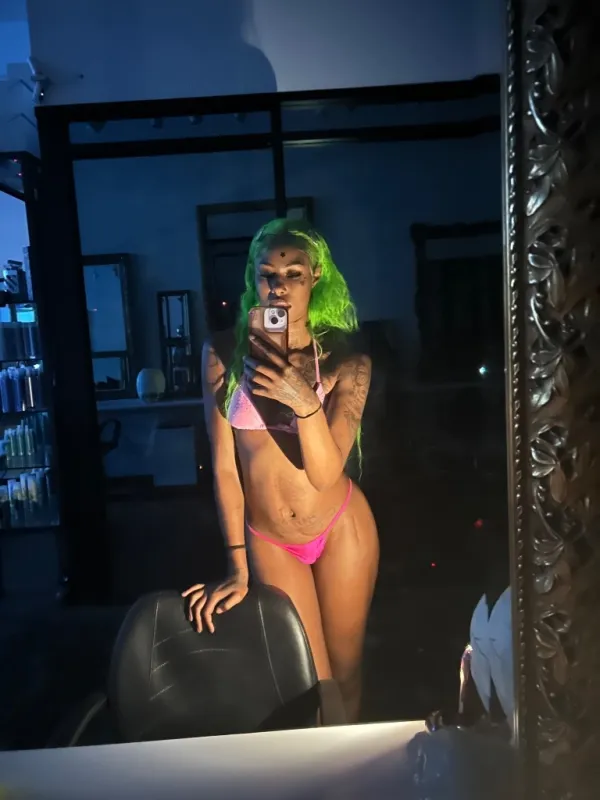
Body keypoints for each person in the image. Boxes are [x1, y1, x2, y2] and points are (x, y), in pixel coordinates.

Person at [183, 218, 379, 722]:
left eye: (293, 274)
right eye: (267, 273)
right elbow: (225, 469)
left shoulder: (345, 362)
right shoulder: (223, 354)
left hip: (340, 526)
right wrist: (237, 564)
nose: (279, 286)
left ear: (316, 277)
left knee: (347, 673)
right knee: (312, 681)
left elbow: (325, 474)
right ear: (253, 276)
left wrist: (303, 401)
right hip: (270, 537)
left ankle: (351, 765)